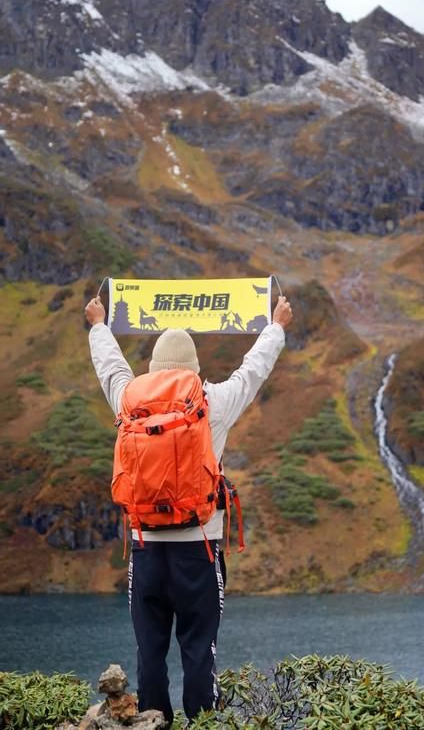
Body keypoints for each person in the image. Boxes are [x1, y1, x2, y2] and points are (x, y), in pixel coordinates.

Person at [84, 293, 293, 727]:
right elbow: (252, 371)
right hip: (199, 550)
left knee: (150, 653)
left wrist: (99, 325)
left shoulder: (128, 401)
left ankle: (155, 724)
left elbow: (110, 367)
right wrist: (276, 325)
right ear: (193, 369)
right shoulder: (213, 401)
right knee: (199, 650)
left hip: (145, 553)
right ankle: (204, 724)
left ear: (153, 370)